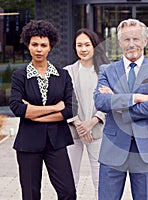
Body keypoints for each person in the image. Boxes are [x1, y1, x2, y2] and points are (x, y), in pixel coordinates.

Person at [94, 18, 148, 200]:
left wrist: (119, 103)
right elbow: (101, 102)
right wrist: (134, 98)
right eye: (126, 39)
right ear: (119, 42)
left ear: (145, 41)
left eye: (136, 39)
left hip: (147, 148)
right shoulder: (107, 70)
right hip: (114, 148)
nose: (131, 44)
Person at [9, 20, 76, 200]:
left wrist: (33, 113)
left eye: (43, 45)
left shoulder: (62, 75)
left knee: (68, 192)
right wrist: (54, 108)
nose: (39, 49)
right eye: (35, 44)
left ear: (50, 47)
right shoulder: (19, 76)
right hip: (28, 143)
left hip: (57, 141)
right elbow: (17, 108)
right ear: (28, 46)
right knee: (30, 195)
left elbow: (69, 110)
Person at [64, 28, 110, 199]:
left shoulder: (106, 71)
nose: (83, 49)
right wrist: (78, 123)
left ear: (94, 46)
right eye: (79, 45)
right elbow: (65, 101)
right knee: (69, 179)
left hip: (98, 132)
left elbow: (110, 100)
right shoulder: (67, 71)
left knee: (100, 179)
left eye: (87, 45)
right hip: (72, 132)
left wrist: (92, 122)